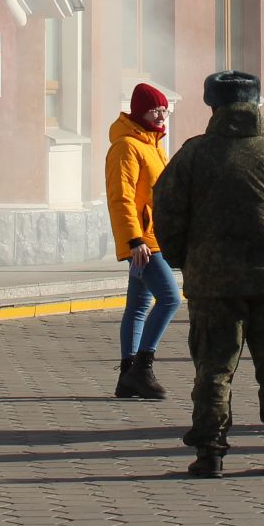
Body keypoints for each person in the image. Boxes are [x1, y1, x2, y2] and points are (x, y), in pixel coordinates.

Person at [152, 71, 264, 478]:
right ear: (258, 103)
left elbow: (166, 209)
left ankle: (209, 454)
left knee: (213, 369)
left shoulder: (193, 154)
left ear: (212, 105)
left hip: (213, 284)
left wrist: (183, 258)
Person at [105, 83, 181, 399]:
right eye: (156, 110)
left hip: (154, 238)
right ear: (140, 112)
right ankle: (143, 367)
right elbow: (120, 198)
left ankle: (127, 375)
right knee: (170, 298)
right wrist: (134, 240)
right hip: (144, 242)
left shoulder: (152, 145)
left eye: (165, 110)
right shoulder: (126, 147)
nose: (162, 116)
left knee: (138, 307)